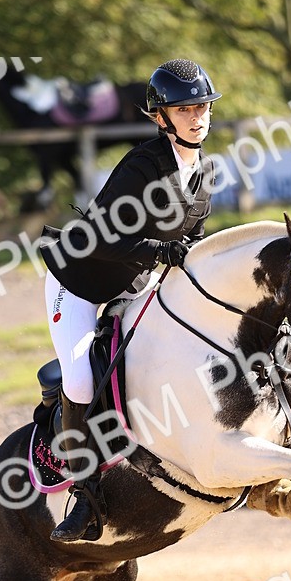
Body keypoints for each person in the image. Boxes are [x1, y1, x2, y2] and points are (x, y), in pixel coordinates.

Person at [40, 58, 221, 542]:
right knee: (82, 379)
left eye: (202, 107)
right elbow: (97, 235)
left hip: (133, 283)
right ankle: (83, 495)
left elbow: (193, 242)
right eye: (184, 110)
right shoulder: (143, 166)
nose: (196, 117)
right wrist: (160, 250)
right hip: (78, 281)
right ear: (161, 117)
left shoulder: (205, 171)